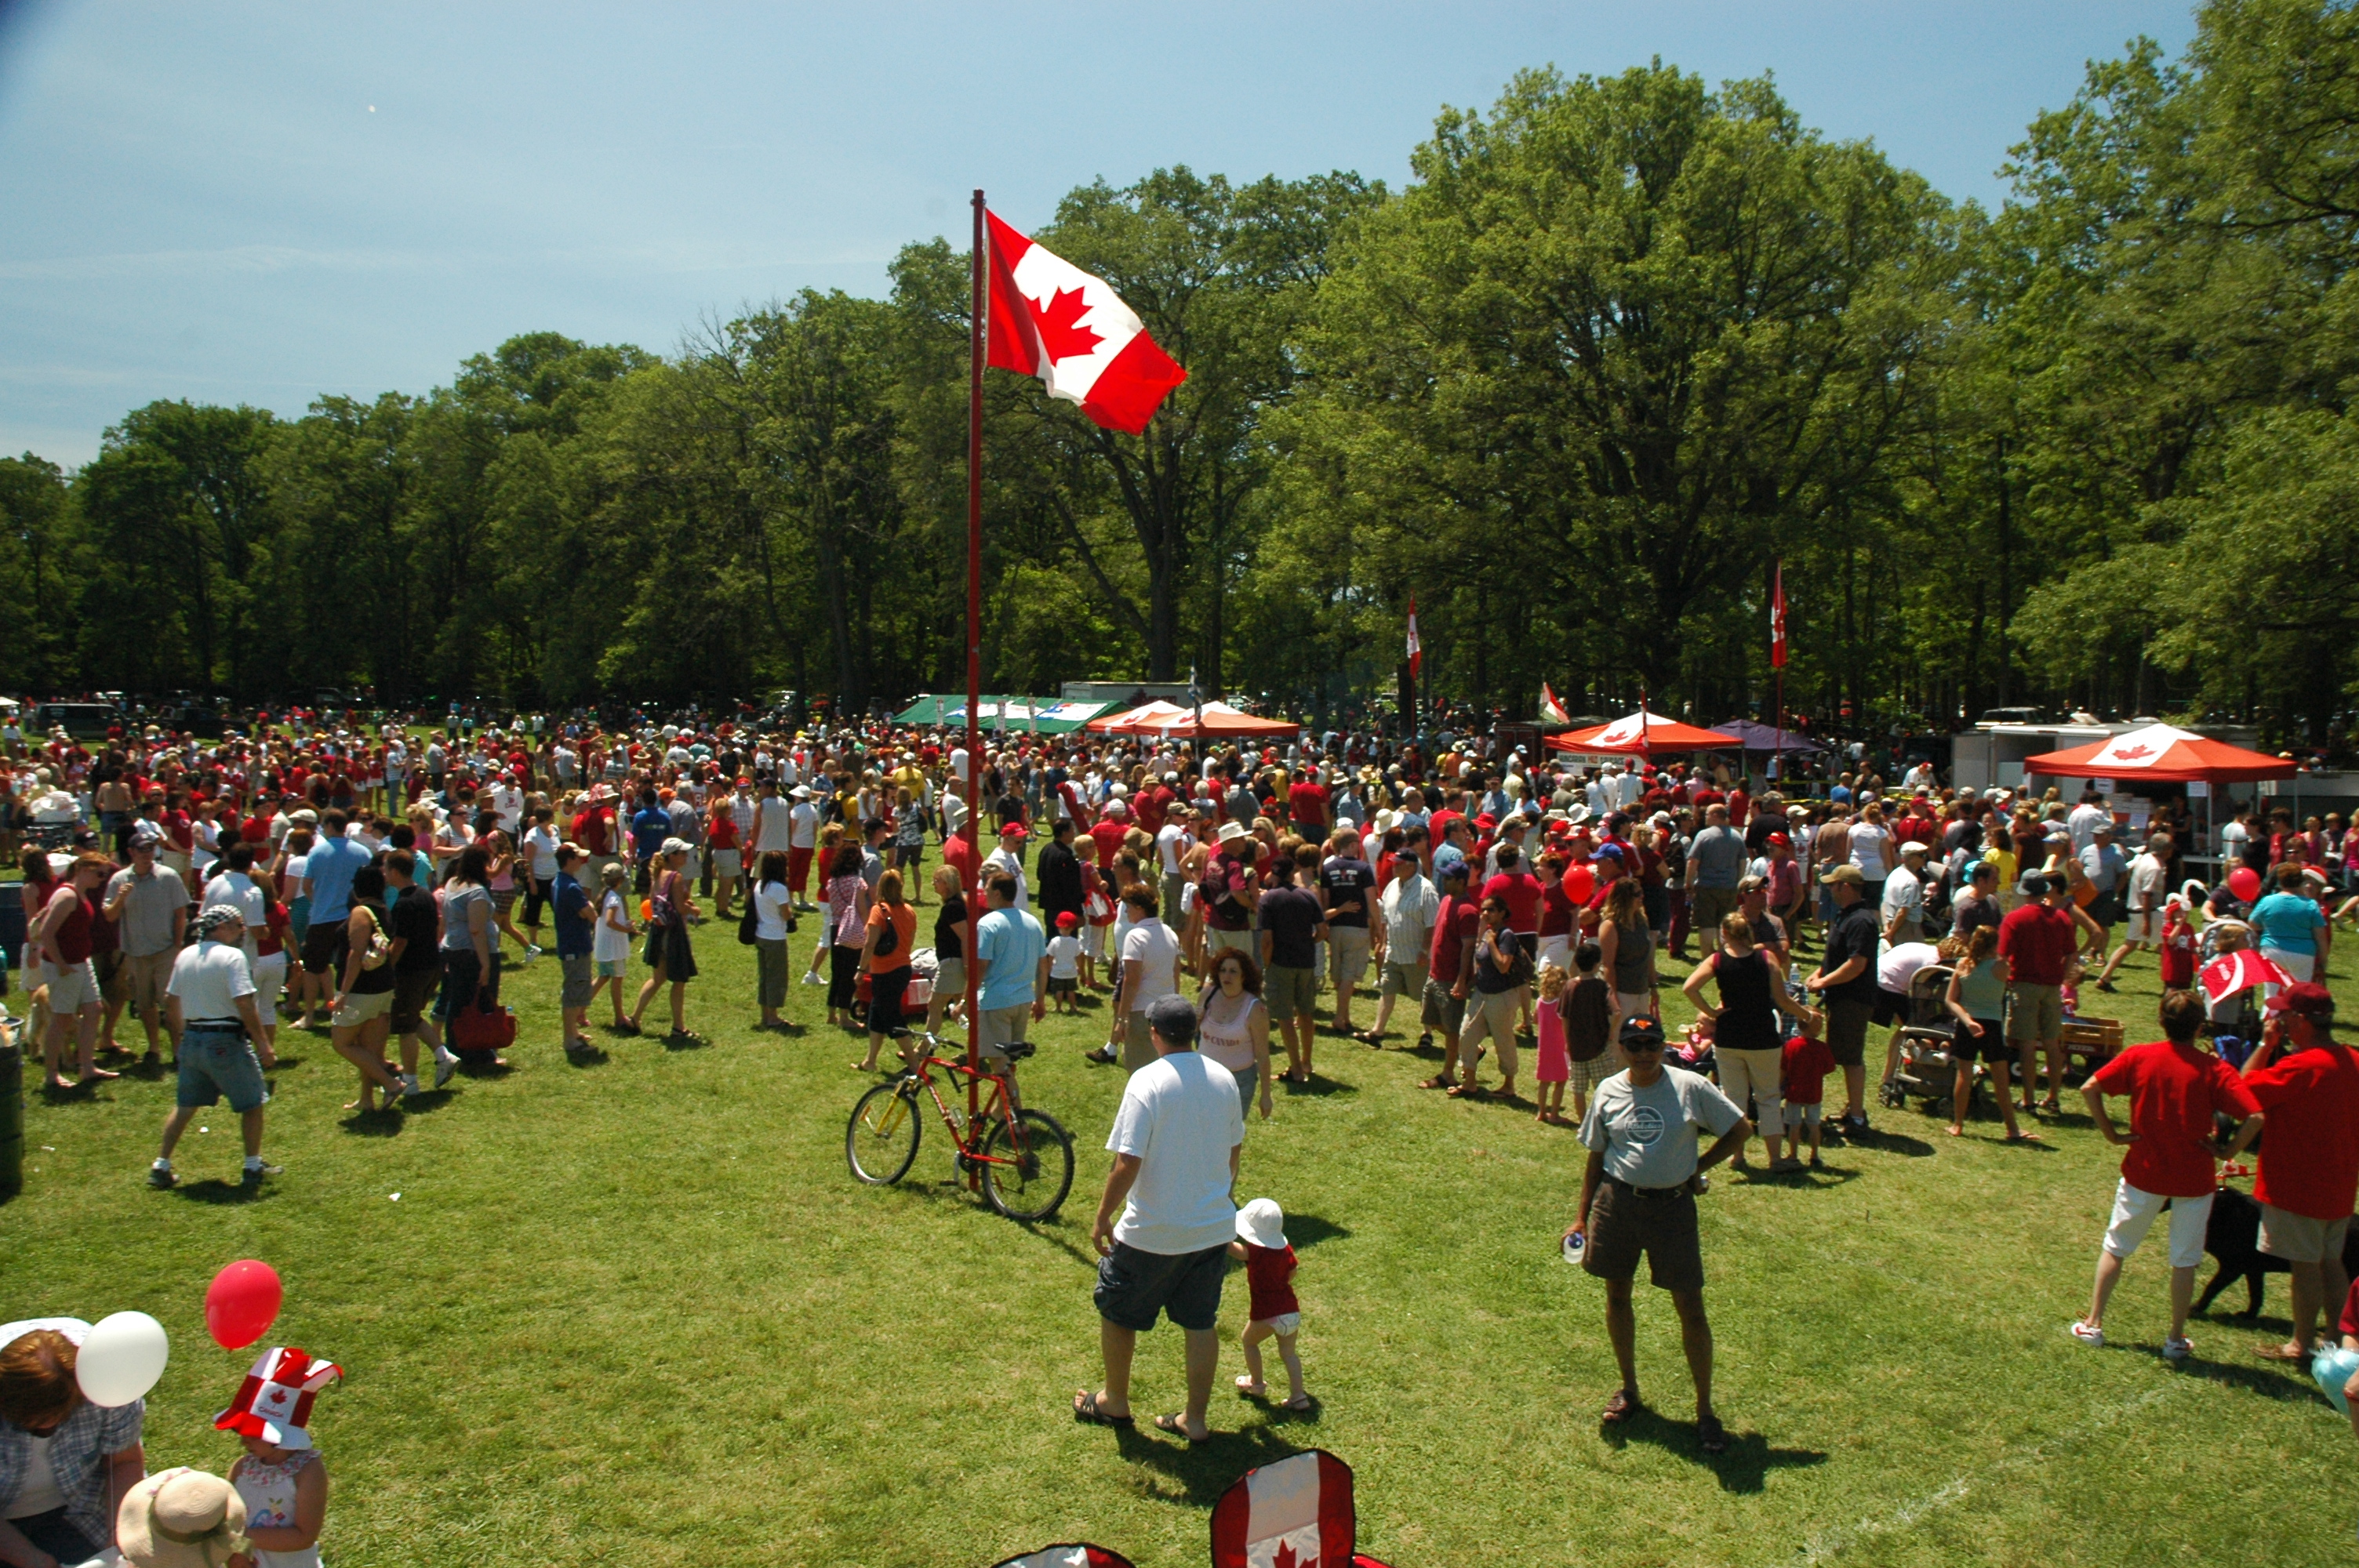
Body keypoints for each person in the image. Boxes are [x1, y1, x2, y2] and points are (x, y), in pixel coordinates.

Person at [1565, 1015, 1750, 1452]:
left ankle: (1705, 1410)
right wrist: (1580, 1218)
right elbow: (1596, 1157)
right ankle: (1629, 1389)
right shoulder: (1608, 1090)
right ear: (1622, 1049)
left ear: (1662, 1045)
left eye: (1651, 1044)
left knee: (1690, 1306)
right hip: (1618, 1203)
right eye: (1635, 1045)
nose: (1644, 1053)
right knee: (1616, 1295)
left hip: (1672, 1209)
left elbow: (1740, 1129)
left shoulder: (1690, 1086)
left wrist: (1696, 1169)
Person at [1074, 993, 1247, 1443]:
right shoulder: (1224, 1079)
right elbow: (1234, 1148)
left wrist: (1102, 1216)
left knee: (1117, 1311)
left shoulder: (1145, 1082)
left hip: (1152, 1232)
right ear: (1193, 1031)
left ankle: (1114, 1400)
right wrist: (1216, 1197)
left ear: (1154, 1034)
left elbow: (1127, 1162)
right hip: (1211, 1228)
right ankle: (1196, 1418)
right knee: (1200, 1322)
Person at [2069, 989, 2265, 1358]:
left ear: (2161, 1020)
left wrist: (2113, 1135)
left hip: (2144, 1171)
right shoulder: (2214, 1069)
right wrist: (2226, 1152)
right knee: (2185, 1259)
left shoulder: (2140, 1056)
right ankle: (2175, 1338)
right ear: (2201, 1026)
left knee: (2117, 1246)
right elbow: (2255, 1116)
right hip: (2194, 1179)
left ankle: (2093, 1323)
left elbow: (2089, 1087)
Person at [2240, 983, 2359, 1362]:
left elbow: (2242, 1092)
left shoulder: (2299, 1066)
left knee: (2305, 1265)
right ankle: (2336, 1340)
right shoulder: (2353, 1059)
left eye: (2285, 1015)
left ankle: (2302, 1345)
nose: (2279, 1020)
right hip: (2339, 1183)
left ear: (2302, 1021)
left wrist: (2264, 1046)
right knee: (2330, 1261)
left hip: (2297, 1184)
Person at [0, 1320, 147, 1567]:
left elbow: (124, 1462)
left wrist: (120, 1531)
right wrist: (33, 1560)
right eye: (31, 1422)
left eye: (59, 1417)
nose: (47, 1428)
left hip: (82, 1507)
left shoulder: (109, 1383)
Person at [154, 904, 277, 1188]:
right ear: (220, 928)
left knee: (186, 1105)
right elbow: (244, 1002)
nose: (241, 930)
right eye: (236, 925)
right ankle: (252, 1166)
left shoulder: (185, 955)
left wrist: (182, 1036)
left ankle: (161, 1165)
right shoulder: (233, 957)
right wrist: (263, 1043)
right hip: (225, 1039)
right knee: (253, 1103)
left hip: (193, 1039)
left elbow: (171, 1001)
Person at [1682, 912, 1817, 1170]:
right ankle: (1775, 1158)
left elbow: (1689, 987)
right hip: (1763, 1037)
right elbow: (1783, 1000)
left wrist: (1711, 1012)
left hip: (1729, 1037)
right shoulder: (1767, 959)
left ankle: (1737, 1155)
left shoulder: (1717, 960)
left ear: (1725, 934)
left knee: (1734, 1099)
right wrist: (1808, 1016)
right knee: (1767, 1097)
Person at [220, 1345, 337, 1568]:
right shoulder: (242, 1468)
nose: (243, 1442)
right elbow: (227, 1518)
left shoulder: (307, 1472)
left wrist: (244, 1535)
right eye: (239, 1432)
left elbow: (304, 1536)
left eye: (254, 1435)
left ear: (282, 1435)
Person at [103, 824, 190, 1066]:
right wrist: (121, 897)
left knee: (170, 1004)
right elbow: (109, 915)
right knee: (144, 1004)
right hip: (136, 954)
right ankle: (153, 1047)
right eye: (142, 850)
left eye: (150, 849)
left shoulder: (168, 877)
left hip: (165, 951)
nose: (147, 854)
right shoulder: (119, 880)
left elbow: (181, 913)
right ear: (131, 852)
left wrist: (176, 945)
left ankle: (178, 1049)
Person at [1803, 863, 1880, 1136]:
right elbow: (1836, 956)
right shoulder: (1846, 916)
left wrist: (1824, 982)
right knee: (1845, 1055)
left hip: (1853, 998)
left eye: (1833, 884)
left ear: (1845, 887)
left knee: (1850, 1058)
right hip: (1841, 996)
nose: (1829, 889)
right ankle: (1853, 1110)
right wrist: (1819, 973)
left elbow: (1857, 964)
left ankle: (1857, 1118)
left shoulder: (1861, 921)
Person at [325, 864, 409, 1112]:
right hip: (383, 985)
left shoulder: (360, 913)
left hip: (362, 989)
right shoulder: (383, 910)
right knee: (369, 1049)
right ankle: (366, 1100)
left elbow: (355, 954)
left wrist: (343, 992)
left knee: (342, 1042)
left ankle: (391, 1084)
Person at [1938, 926, 2033, 1142]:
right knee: (2001, 1080)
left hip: (1966, 1026)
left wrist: (1968, 1021)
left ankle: (1958, 1124)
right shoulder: (2001, 967)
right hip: (1991, 1026)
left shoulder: (1963, 965)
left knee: (1964, 1075)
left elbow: (1950, 1000)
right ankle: (2012, 1128)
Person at [32, 855, 115, 1091]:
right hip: (65, 965)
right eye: (99, 873)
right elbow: (47, 933)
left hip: (80, 961)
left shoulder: (80, 894)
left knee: (94, 1009)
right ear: (82, 870)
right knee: (62, 1017)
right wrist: (61, 965)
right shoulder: (67, 896)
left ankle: (87, 1066)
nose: (103, 879)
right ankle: (51, 1075)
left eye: (105, 874)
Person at [1998, 872, 2078, 1115]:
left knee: (2027, 1045)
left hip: (2024, 985)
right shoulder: (2061, 917)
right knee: (2053, 1043)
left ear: (2024, 892)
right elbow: (2072, 954)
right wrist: (2061, 977)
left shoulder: (2015, 919)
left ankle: (2029, 1098)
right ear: (2044, 891)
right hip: (2052, 988)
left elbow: (2002, 957)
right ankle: (2054, 1097)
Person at [380, 851, 459, 1087]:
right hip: (432, 965)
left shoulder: (404, 903)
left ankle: (411, 1082)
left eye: (386, 869)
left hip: (411, 970)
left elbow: (400, 942)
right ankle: (444, 1056)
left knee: (405, 1026)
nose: (384, 874)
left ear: (394, 872)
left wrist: (388, 967)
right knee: (412, 1017)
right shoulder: (425, 895)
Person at [1229, 1197, 1310, 1411]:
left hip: (1267, 1313)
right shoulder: (1287, 1250)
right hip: (1291, 1312)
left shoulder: (1255, 1252)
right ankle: (1299, 1396)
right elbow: (1292, 1272)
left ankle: (1256, 1383)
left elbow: (1232, 1249)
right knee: (1289, 1354)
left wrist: (1216, 1234)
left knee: (1249, 1341)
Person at [972, 873, 1048, 1103]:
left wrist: (965, 1001)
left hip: (996, 1002)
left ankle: (1016, 1116)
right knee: (1008, 1061)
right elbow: (1043, 966)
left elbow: (980, 967)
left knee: (1000, 1065)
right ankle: (999, 1110)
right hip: (1023, 1001)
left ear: (997, 893)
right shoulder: (1032, 922)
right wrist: (1041, 999)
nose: (983, 893)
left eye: (986, 889)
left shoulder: (987, 924)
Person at [1256, 848, 1327, 1085]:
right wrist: (1310, 942)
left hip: (1281, 963)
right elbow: (1323, 931)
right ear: (1293, 872)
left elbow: (1267, 939)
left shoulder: (1268, 899)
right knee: (1306, 1013)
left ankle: (1296, 1068)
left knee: (1285, 1017)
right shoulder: (1308, 896)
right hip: (1306, 962)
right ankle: (1307, 1061)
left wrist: (1267, 963)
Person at [434, 845, 506, 1067]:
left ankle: (456, 1047)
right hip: (473, 953)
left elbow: (446, 920)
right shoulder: (476, 892)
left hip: (453, 949)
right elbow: (477, 929)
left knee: (458, 1001)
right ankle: (480, 1052)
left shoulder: (452, 884)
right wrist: (485, 963)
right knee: (482, 1000)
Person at [1452, 893, 1525, 1100]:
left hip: (1502, 997)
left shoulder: (1506, 935)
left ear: (1502, 913)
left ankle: (1508, 1085)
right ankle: (1470, 1083)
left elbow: (1503, 966)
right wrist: (1467, 985)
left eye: (1491, 910)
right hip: (1481, 994)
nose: (1485, 913)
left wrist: (1492, 942)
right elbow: (1482, 966)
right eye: (1483, 909)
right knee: (1466, 1034)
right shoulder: (1487, 933)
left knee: (1504, 1041)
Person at [1103, 888, 1182, 1072]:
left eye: (1128, 907)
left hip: (1141, 1013)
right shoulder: (1169, 933)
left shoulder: (1135, 936)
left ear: (1139, 908)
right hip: (1167, 1010)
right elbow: (1176, 972)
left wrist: (1121, 1019)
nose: (1125, 911)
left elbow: (1131, 981)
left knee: (1139, 1070)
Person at [1196, 946, 1274, 1123]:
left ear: (1244, 976)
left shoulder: (1255, 1009)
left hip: (1238, 1081)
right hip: (1204, 1077)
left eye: (1233, 971)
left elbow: (1262, 1055)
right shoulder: (1208, 994)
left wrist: (1266, 1095)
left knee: (1231, 1136)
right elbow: (1193, 1031)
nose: (1226, 976)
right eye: (1223, 970)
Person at [1370, 844, 1438, 1047]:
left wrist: (1425, 951)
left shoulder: (1426, 890)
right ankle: (1377, 1031)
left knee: (1421, 996)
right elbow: (1387, 917)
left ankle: (1427, 1033)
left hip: (1415, 954)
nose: (1394, 868)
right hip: (1394, 951)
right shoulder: (1392, 886)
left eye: (1398, 864)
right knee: (1387, 989)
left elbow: (1432, 924)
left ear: (1410, 866)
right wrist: (1382, 941)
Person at [852, 868, 918, 1073]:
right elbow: (910, 940)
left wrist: (861, 970)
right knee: (876, 1013)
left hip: (885, 971)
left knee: (891, 1017)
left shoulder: (878, 910)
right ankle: (870, 1061)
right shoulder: (909, 910)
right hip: (903, 968)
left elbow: (870, 944)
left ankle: (914, 1064)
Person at [2095, 832, 2173, 991]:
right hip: (2148, 912)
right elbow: (2147, 894)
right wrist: (2147, 922)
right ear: (2166, 850)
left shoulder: (2144, 859)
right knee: (2169, 945)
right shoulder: (2155, 868)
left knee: (2128, 945)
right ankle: (2170, 984)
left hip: (2135, 909)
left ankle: (2105, 977)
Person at [549, 844, 598, 1057]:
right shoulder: (570, 887)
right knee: (573, 990)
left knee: (577, 987)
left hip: (573, 943)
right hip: (575, 945)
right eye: (578, 857)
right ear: (569, 860)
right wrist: (588, 909)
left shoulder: (560, 882)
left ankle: (573, 1032)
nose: (582, 861)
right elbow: (590, 913)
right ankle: (569, 1039)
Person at [2250, 860, 2331, 987]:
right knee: (2301, 995)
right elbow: (2321, 937)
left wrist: (2268, 926)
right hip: (2303, 953)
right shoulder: (2311, 905)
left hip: (2272, 950)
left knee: (2272, 993)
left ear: (2280, 882)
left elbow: (2253, 923)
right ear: (2301, 881)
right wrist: (2324, 960)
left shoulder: (2268, 901)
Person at [1561, 939, 1615, 1123]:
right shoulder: (1602, 986)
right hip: (1598, 1043)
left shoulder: (1569, 986)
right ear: (1597, 963)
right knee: (1604, 1085)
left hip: (1576, 1046)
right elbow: (1616, 1011)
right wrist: (1611, 1033)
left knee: (1578, 1088)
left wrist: (1568, 1041)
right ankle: (1605, 1119)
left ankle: (1583, 1122)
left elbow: (1565, 1017)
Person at [588, 860, 638, 1036]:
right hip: (613, 948)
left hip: (605, 946)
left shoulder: (605, 895)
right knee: (616, 980)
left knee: (603, 977)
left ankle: (580, 1010)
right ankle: (619, 1016)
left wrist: (624, 924)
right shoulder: (614, 899)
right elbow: (610, 921)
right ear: (621, 880)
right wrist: (627, 929)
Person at [1779, 1013, 1836, 1167]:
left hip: (1794, 1092)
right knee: (1814, 1124)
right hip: (1814, 1092)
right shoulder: (1822, 1048)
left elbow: (1783, 1068)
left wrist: (1778, 1086)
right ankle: (1815, 1155)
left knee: (1794, 1125)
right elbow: (1830, 1067)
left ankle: (1793, 1155)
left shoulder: (1791, 1045)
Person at [751, 850, 794, 1031]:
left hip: (761, 933)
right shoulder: (779, 889)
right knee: (777, 977)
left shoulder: (760, 885)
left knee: (765, 977)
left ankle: (765, 1014)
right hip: (775, 936)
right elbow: (785, 915)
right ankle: (773, 1017)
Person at [1534, 960, 1572, 1125]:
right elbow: (1566, 1023)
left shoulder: (1540, 1001)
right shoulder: (1561, 1004)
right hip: (1559, 1047)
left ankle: (1541, 1112)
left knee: (1544, 1082)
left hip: (1544, 1047)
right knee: (1560, 1081)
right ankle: (1554, 1114)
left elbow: (1535, 1019)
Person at [1046, 912, 1084, 1014]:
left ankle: (1058, 1008)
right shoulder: (1075, 942)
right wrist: (1080, 968)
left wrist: (1049, 968)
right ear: (1073, 928)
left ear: (1059, 926)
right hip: (1071, 971)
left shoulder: (1055, 941)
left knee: (1059, 991)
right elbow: (1078, 957)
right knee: (1071, 991)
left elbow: (1050, 956)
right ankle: (1073, 1007)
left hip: (1057, 971)